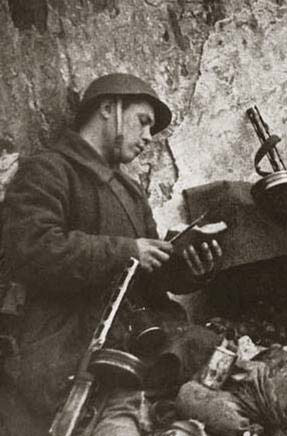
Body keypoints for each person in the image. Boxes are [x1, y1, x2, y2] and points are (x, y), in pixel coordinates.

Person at [0, 73, 222, 436]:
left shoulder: (131, 193)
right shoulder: (49, 169)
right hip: (70, 349)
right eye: (142, 121)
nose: (148, 136)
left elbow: (150, 279)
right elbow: (32, 248)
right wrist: (127, 251)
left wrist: (188, 268)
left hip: (135, 347)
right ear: (108, 108)